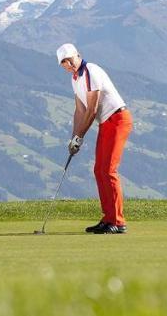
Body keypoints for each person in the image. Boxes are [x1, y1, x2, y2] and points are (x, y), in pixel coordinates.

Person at [56, 43, 132, 234]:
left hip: (117, 119)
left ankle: (118, 221)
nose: (68, 65)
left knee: (109, 170)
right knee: (99, 170)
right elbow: (79, 110)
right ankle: (108, 219)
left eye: (70, 60)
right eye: (64, 63)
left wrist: (80, 137)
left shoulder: (90, 70)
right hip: (106, 123)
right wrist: (74, 137)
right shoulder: (75, 79)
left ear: (78, 56)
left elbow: (92, 109)